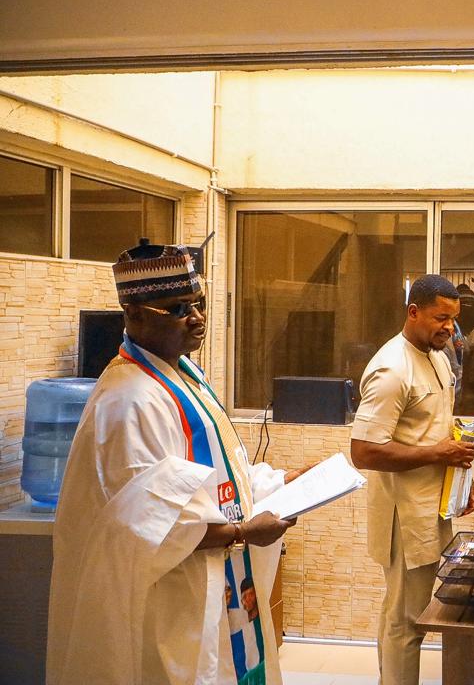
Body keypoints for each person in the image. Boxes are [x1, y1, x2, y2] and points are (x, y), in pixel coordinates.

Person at [48, 239, 309, 685]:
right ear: (133, 315)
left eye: (199, 302)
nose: (197, 318)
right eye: (177, 308)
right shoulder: (128, 401)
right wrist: (247, 532)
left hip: (217, 582)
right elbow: (145, 525)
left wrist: (280, 481)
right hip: (172, 597)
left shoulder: (184, 373)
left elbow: (213, 476)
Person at [350, 273, 474, 685]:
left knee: (401, 614)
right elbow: (363, 452)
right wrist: (440, 454)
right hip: (406, 518)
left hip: (433, 505)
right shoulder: (392, 369)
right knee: (408, 622)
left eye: (453, 319)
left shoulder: (438, 356)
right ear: (413, 312)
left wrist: (461, 470)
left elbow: (436, 425)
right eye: (441, 318)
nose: (449, 328)